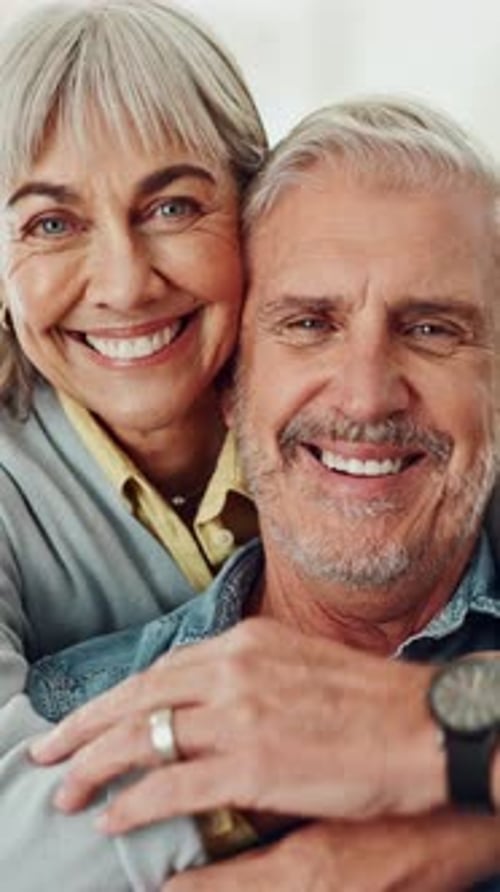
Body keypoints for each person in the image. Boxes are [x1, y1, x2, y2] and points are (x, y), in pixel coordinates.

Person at [29, 98, 500, 891]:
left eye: (431, 329)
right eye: (309, 324)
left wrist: (430, 725)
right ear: (227, 384)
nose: (365, 397)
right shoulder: (70, 729)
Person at [0, 0, 268, 887]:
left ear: (255, 211)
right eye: (50, 223)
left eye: (172, 205)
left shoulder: (364, 409)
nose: (122, 282)